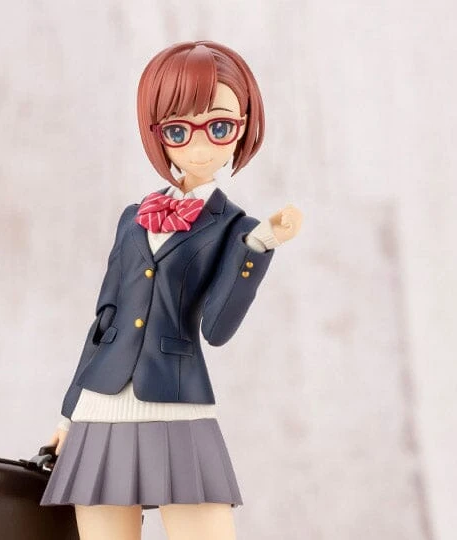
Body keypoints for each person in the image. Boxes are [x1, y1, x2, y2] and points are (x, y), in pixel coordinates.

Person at [40, 41, 303, 540]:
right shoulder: (132, 218)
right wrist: (68, 413)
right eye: (179, 130)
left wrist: (260, 245)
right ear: (156, 133)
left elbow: (217, 328)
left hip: (176, 400)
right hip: (102, 403)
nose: (200, 148)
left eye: (219, 127)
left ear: (245, 126)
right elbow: (103, 323)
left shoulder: (236, 228)